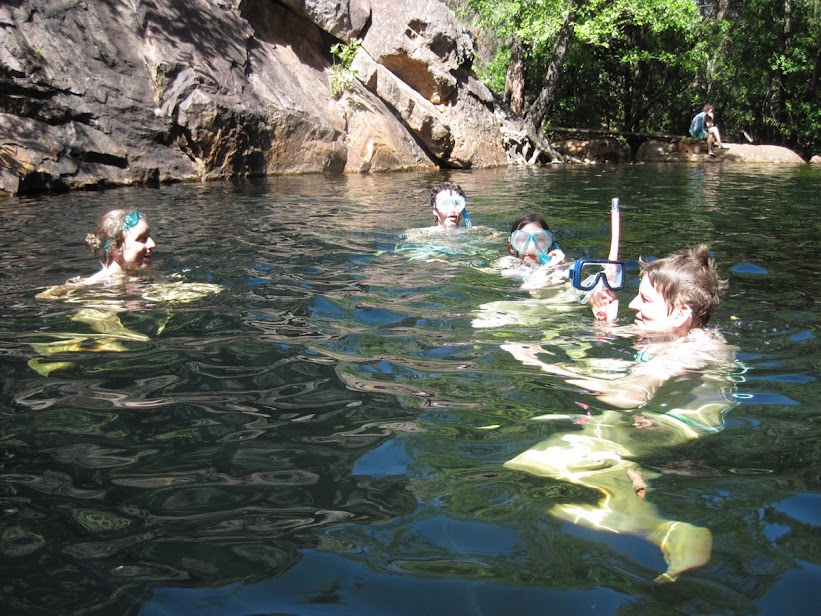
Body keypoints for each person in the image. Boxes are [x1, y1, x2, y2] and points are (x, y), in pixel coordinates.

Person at [502, 245, 738, 583]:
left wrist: (539, 363)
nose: (632, 304)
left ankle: (657, 527)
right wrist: (605, 328)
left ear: (680, 312)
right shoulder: (689, 337)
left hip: (674, 425)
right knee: (554, 460)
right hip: (666, 418)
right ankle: (631, 499)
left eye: (644, 299)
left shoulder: (688, 352)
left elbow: (626, 397)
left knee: (539, 462)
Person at [37, 209, 155, 299]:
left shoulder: (137, 273)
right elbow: (44, 296)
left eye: (148, 237)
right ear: (114, 248)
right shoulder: (99, 285)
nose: (152, 244)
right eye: (141, 239)